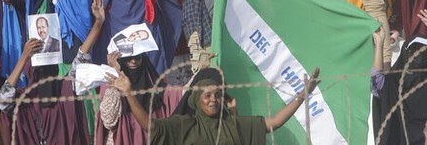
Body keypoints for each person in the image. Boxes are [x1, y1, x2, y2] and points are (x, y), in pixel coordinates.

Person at [114, 64, 320, 144]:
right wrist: (130, 94)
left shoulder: (233, 124)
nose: (213, 99)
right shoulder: (184, 125)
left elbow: (274, 122)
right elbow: (149, 126)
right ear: (195, 100)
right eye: (207, 95)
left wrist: (303, 94)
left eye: (217, 95)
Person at [0, 0, 106, 145]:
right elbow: (3, 101)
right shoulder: (26, 99)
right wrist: (24, 56)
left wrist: (98, 23)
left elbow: (81, 57)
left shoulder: (65, 90)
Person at [95, 49, 183, 144]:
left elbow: (180, 93)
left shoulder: (154, 85)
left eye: (137, 57)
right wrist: (116, 74)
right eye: (128, 58)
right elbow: (109, 120)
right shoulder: (112, 83)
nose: (133, 61)